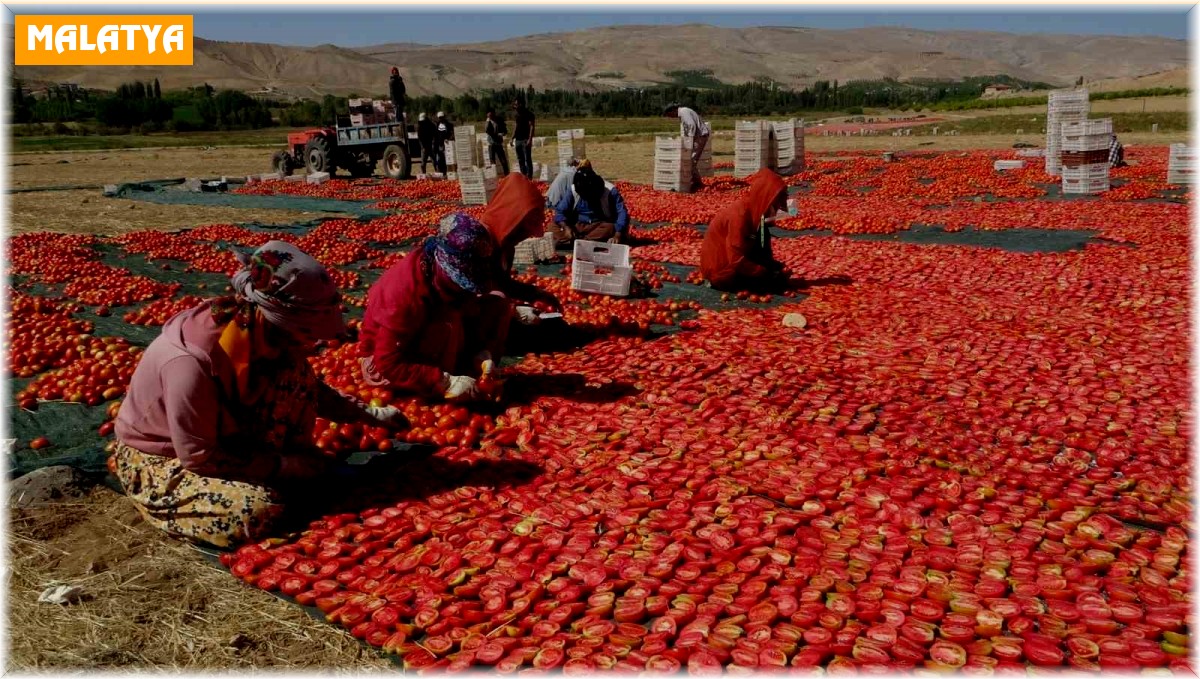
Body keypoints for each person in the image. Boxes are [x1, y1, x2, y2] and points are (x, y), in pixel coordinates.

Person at [111, 242, 409, 548]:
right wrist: (285, 467)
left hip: (223, 441)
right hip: (167, 458)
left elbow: (309, 388)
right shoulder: (191, 362)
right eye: (307, 334)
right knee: (256, 511)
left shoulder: (260, 332)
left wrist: (368, 414)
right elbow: (198, 456)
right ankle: (163, 503)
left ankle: (281, 473)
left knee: (294, 373)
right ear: (278, 320)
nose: (312, 344)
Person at [359, 221, 508, 402]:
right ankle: (446, 377)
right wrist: (444, 381)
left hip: (428, 332)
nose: (467, 290)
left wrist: (481, 351)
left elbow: (469, 307)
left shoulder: (442, 277)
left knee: (496, 302)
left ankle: (466, 368)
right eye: (461, 282)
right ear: (444, 269)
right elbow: (387, 364)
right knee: (444, 326)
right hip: (385, 363)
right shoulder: (404, 294)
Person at [479, 173, 564, 323]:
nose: (527, 235)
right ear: (511, 217)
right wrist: (512, 310)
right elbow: (473, 296)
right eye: (523, 228)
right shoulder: (480, 243)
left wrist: (537, 294)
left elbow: (503, 284)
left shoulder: (507, 245)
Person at [700, 168, 789, 293]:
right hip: (721, 270)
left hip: (735, 261)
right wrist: (761, 272)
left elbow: (762, 247)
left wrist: (772, 266)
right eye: (774, 205)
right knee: (771, 284)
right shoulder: (739, 216)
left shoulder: (757, 215)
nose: (776, 210)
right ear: (764, 200)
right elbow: (735, 259)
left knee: (764, 233)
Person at [552, 162, 630, 246]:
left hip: (599, 225)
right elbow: (560, 211)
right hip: (577, 225)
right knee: (552, 227)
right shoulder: (573, 190)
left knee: (610, 228)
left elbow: (622, 213)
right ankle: (584, 241)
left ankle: (575, 242)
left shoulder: (610, 191)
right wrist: (566, 227)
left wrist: (618, 234)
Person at [664, 103, 711, 192]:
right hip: (697, 137)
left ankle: (696, 183)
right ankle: (696, 182)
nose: (671, 117)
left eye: (670, 115)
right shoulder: (683, 113)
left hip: (700, 136)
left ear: (673, 110)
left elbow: (691, 125)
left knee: (691, 160)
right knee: (690, 160)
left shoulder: (684, 112)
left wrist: (689, 141)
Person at [512, 98, 536, 178]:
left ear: (521, 104)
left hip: (525, 139)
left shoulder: (529, 114)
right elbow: (515, 125)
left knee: (527, 159)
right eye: (514, 104)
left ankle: (529, 178)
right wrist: (512, 137)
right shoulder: (516, 114)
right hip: (518, 139)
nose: (515, 106)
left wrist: (530, 139)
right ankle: (523, 176)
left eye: (516, 104)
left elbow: (532, 127)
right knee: (520, 159)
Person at [485, 109, 511, 176]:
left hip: (498, 143)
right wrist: (488, 122)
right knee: (492, 160)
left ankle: (507, 174)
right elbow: (487, 130)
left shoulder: (499, 120)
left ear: (494, 114)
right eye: (489, 116)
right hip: (491, 143)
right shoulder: (488, 121)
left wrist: (502, 134)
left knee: (503, 160)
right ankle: (493, 176)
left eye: (491, 116)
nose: (490, 117)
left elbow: (505, 131)